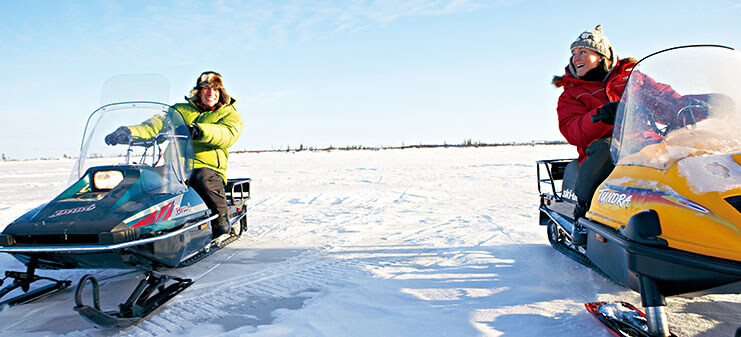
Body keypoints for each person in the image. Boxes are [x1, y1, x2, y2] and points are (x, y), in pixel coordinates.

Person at [106, 71, 243, 239]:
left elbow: (227, 133)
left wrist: (199, 130)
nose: (210, 93)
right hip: (175, 166)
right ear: (198, 91)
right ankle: (126, 221)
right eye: (206, 88)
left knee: (202, 178)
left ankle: (221, 219)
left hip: (206, 167)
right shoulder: (178, 110)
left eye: (215, 89)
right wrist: (128, 132)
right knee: (145, 178)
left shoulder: (229, 114)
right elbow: (153, 125)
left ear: (221, 92)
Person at [552, 25, 636, 244]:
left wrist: (698, 103)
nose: (575, 57)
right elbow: (572, 130)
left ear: (601, 56)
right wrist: (601, 116)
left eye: (583, 52)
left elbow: (663, 96)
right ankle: (584, 213)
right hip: (601, 152)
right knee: (606, 149)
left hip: (642, 145)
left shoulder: (631, 78)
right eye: (573, 53)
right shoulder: (572, 94)